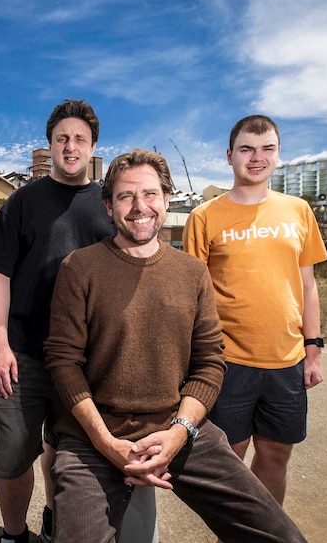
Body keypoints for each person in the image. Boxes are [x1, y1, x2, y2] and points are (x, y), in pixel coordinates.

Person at [45, 149, 307, 543]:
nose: (139, 207)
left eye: (150, 194)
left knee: (281, 536)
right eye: (125, 196)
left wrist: (180, 432)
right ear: (108, 205)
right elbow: (63, 362)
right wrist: (105, 442)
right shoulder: (79, 268)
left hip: (178, 431)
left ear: (167, 199)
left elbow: (209, 362)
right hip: (92, 439)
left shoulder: (192, 272)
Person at [0, 99, 158, 543]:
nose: (70, 146)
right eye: (62, 138)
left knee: (65, 453)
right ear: (50, 145)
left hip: (84, 360)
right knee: (13, 457)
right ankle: (14, 534)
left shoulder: (108, 205)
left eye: (80, 139)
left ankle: (56, 522)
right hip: (22, 355)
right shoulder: (21, 202)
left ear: (93, 146)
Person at [183, 114, 327, 506]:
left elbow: (308, 287)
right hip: (228, 362)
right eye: (247, 148)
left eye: (267, 149)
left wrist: (312, 349)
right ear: (230, 155)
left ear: (278, 156)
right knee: (229, 461)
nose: (256, 157)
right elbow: (191, 296)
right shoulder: (204, 217)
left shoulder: (298, 211)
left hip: (286, 360)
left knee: (275, 455)